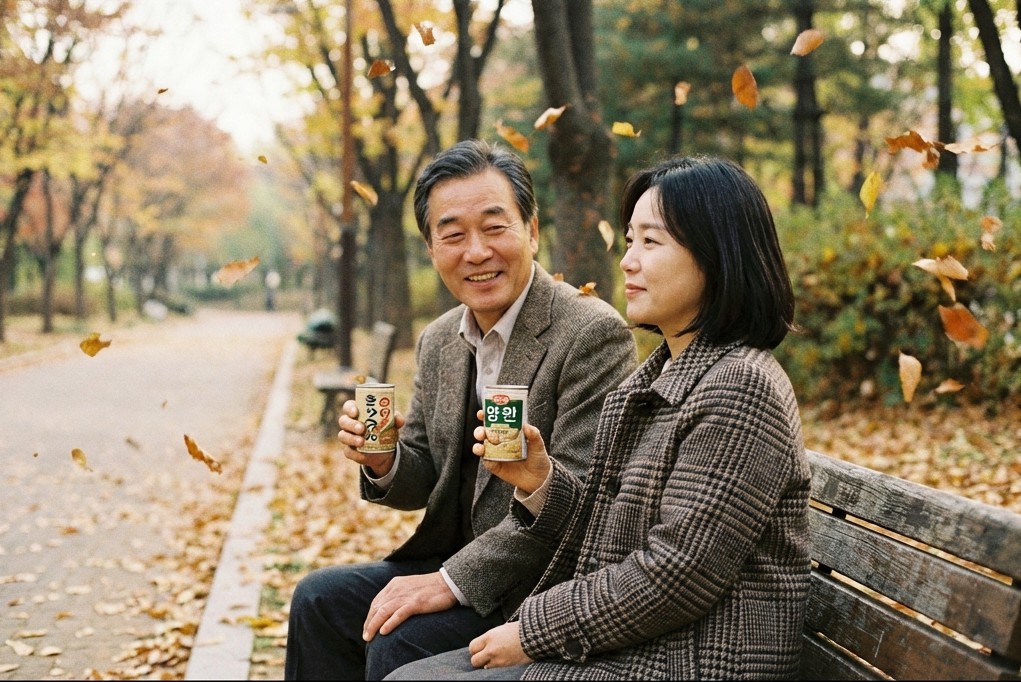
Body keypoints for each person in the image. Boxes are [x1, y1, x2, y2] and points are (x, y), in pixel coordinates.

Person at [386, 155, 812, 680]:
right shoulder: (655, 380)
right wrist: (542, 483)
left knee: (411, 676)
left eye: (651, 243)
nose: (628, 261)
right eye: (630, 241)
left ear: (718, 256)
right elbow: (604, 524)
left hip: (691, 658)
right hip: (638, 641)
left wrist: (531, 630)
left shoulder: (741, 386)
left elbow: (675, 574)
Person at [284, 139, 638, 680]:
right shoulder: (440, 340)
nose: (475, 252)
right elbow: (424, 473)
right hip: (457, 558)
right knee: (318, 600)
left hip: (541, 585)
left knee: (399, 637)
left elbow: (584, 499)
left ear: (533, 231)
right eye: (452, 235)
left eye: (495, 228)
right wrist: (383, 461)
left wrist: (446, 583)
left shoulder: (590, 332)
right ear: (431, 248)